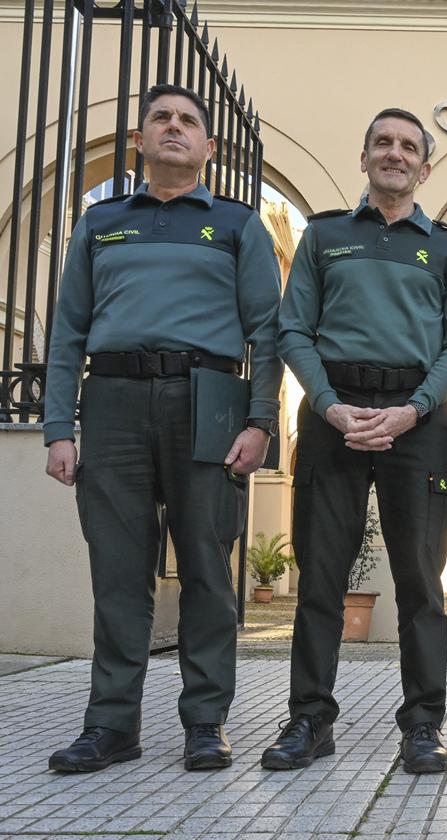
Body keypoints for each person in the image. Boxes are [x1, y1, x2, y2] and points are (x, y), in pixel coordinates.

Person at [42, 84, 282, 772]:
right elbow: (68, 331)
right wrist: (60, 426)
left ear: (209, 147)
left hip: (205, 402)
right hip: (112, 402)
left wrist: (260, 420)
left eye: (188, 122)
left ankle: (206, 723)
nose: (173, 128)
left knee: (208, 568)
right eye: (161, 119)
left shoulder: (238, 226)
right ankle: (111, 725)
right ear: (141, 141)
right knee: (118, 574)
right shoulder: (100, 222)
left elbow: (267, 332)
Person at [263, 108, 447, 774]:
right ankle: (309, 719)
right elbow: (292, 330)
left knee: (421, 581)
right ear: (364, 160)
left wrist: (414, 409)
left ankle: (422, 725)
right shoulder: (325, 236)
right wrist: (327, 406)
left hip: (416, 421)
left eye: (407, 146)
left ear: (425, 166)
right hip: (336, 420)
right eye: (382, 143)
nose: (394, 153)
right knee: (320, 577)